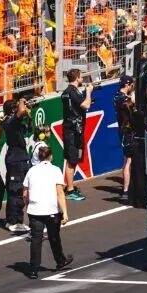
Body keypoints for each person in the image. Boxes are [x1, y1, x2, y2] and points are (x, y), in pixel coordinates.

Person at [23, 143, 72, 278]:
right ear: (50, 156)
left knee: (36, 239)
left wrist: (28, 206)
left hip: (35, 210)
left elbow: (25, 194)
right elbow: (60, 193)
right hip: (51, 209)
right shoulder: (55, 170)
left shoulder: (31, 171)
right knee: (54, 236)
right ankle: (60, 260)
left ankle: (33, 269)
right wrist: (65, 212)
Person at [1, 95, 34, 233]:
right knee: (16, 191)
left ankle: (14, 220)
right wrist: (22, 101)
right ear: (13, 110)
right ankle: (14, 221)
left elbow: (29, 129)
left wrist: (29, 116)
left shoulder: (15, 122)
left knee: (18, 190)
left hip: (19, 158)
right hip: (16, 160)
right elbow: (20, 111)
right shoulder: (10, 122)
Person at [60, 68, 91, 202]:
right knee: (71, 160)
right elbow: (85, 105)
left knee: (75, 159)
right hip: (72, 131)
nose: (82, 79)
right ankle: (70, 190)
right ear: (77, 78)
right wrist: (88, 92)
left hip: (75, 130)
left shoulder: (70, 92)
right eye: (81, 77)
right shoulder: (72, 92)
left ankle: (70, 186)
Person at [113, 75, 135, 201]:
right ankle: (126, 190)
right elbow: (132, 103)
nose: (132, 87)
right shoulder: (122, 98)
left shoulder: (117, 96)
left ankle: (128, 187)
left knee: (129, 160)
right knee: (128, 161)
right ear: (127, 85)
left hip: (126, 131)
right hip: (127, 132)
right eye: (132, 85)